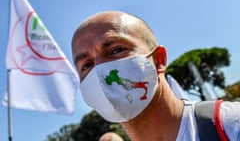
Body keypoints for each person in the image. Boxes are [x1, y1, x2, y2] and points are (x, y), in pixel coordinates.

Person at [71, 11, 240, 141]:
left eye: (116, 50)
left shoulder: (231, 126)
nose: (100, 70)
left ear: (159, 59)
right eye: (86, 65)